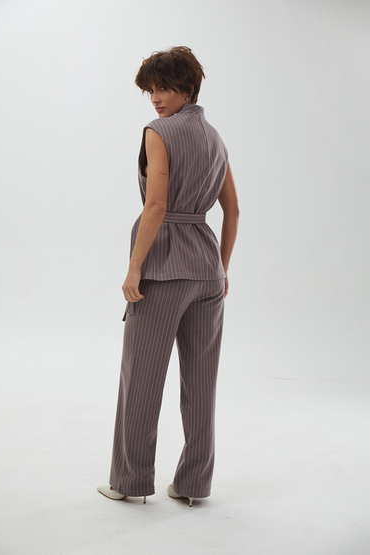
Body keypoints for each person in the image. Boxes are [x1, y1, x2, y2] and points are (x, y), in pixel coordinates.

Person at [97, 46, 239, 507]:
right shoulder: (215, 138)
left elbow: (156, 205)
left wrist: (135, 266)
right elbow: (233, 209)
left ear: (188, 87)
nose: (156, 98)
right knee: (201, 382)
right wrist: (222, 268)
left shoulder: (158, 132)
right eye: (151, 91)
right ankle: (193, 485)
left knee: (141, 377)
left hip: (163, 270)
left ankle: (130, 482)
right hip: (207, 273)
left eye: (164, 88)